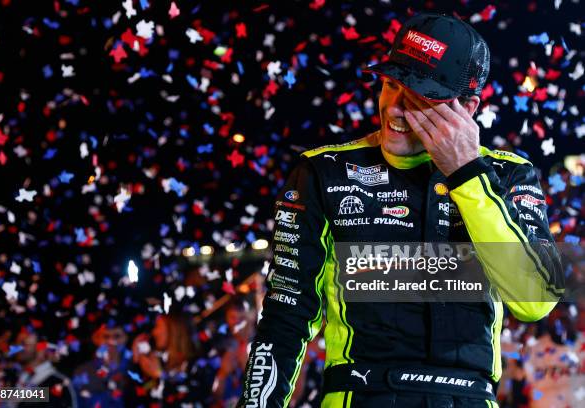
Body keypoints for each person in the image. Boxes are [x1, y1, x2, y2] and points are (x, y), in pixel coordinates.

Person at [238, 12, 564, 408]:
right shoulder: (322, 171)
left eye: (420, 96)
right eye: (391, 85)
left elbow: (534, 300)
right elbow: (284, 318)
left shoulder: (509, 175)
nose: (395, 108)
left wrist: (465, 175)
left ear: (468, 107)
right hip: (359, 394)